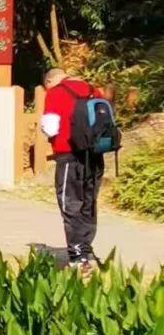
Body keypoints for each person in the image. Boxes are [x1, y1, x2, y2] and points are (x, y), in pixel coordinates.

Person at [40, 66, 109, 275]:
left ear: (49, 82)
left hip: (69, 156)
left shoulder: (55, 93)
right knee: (88, 203)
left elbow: (51, 128)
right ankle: (87, 252)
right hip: (95, 157)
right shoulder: (93, 90)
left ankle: (78, 258)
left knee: (70, 205)